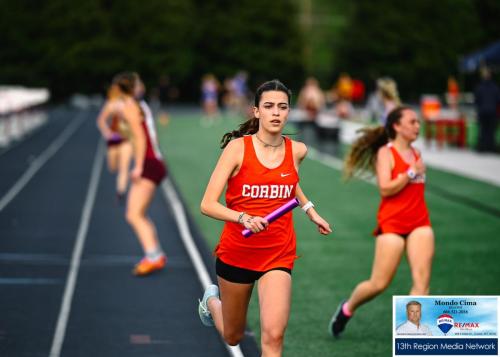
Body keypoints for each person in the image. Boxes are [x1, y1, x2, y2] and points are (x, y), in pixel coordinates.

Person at [197, 79, 332, 356]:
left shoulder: (297, 151)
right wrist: (242, 218)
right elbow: (207, 204)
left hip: (278, 253)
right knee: (233, 336)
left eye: (282, 107)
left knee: (273, 335)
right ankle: (212, 302)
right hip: (237, 253)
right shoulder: (237, 149)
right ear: (256, 111)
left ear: (288, 112)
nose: (276, 113)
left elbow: (288, 181)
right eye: (269, 106)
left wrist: (310, 210)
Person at [328, 106, 434, 338]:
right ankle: (347, 309)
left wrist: (413, 170)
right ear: (397, 126)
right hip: (392, 225)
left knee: (422, 283)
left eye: (418, 122)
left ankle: (413, 341)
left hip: (420, 223)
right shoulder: (385, 154)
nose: (418, 126)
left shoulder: (417, 154)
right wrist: (410, 173)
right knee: (378, 284)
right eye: (412, 122)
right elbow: (385, 188)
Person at [112, 72, 168, 276]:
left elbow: (140, 138)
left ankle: (154, 256)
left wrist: (137, 166)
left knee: (133, 214)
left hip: (148, 163)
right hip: (152, 161)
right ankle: (155, 254)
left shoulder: (130, 107)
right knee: (138, 214)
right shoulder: (138, 105)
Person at [96, 83, 133, 203]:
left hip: (126, 140)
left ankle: (121, 191)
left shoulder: (129, 105)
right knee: (112, 167)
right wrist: (107, 133)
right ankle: (121, 186)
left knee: (124, 168)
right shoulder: (110, 105)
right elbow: (101, 120)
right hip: (113, 140)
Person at [474, 66, 500, 153]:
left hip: (483, 112)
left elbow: (476, 101)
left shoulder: (479, 87)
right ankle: (491, 147)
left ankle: (482, 147)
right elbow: (498, 101)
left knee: (483, 130)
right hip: (492, 112)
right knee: (491, 131)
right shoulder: (495, 87)